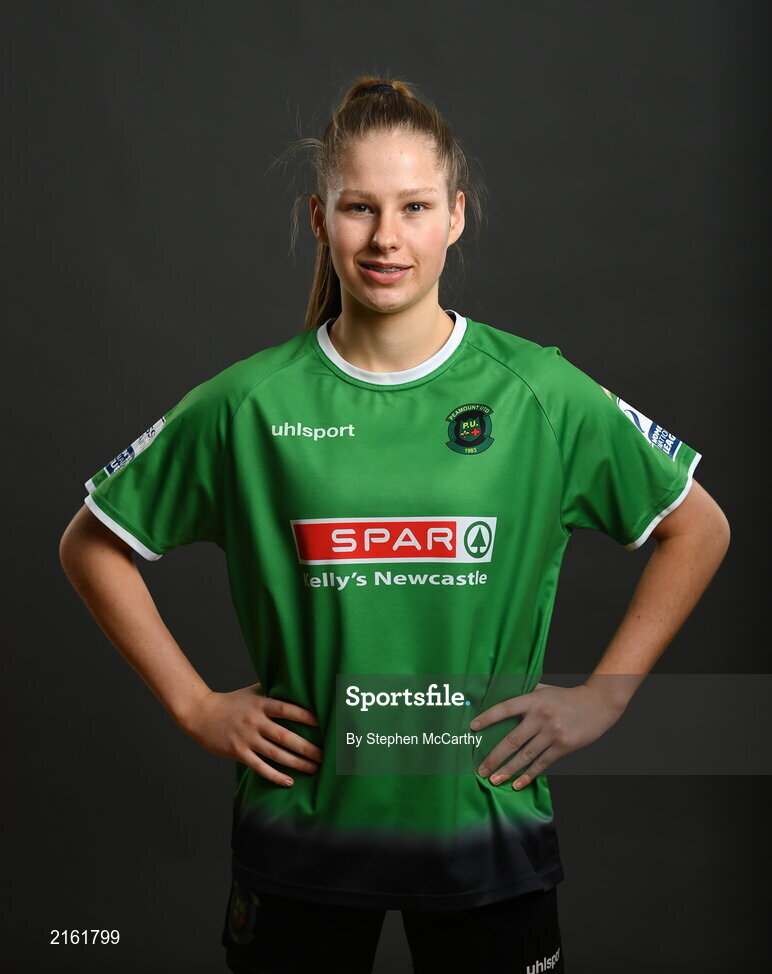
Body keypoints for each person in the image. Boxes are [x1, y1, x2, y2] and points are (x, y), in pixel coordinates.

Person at [59, 76, 730, 974]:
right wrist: (195, 706)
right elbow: (91, 543)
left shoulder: (538, 392)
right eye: (359, 207)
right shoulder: (251, 402)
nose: (386, 237)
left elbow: (700, 527)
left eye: (414, 207)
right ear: (319, 218)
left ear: (456, 216)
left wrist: (604, 696)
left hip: (484, 833)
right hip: (302, 835)